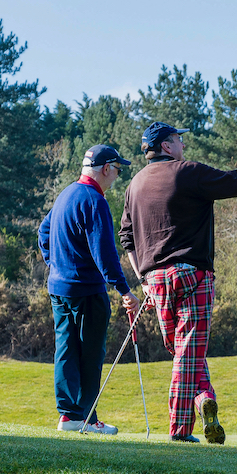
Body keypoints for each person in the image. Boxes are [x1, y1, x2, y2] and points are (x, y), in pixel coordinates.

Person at [120, 121, 237, 443]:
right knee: (187, 353)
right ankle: (180, 433)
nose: (182, 145)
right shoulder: (188, 171)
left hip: (154, 278)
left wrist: (142, 277)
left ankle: (203, 397)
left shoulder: (134, 185)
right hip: (192, 274)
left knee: (182, 350)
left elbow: (126, 238)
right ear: (166, 147)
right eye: (178, 140)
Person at [38, 144, 140, 435]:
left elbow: (43, 233)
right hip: (86, 290)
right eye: (117, 170)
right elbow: (105, 253)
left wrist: (55, 262)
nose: (117, 176)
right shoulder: (95, 201)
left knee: (66, 351)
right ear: (106, 169)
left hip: (60, 288)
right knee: (91, 354)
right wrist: (125, 291)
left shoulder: (66, 194)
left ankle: (70, 416)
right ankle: (85, 418)